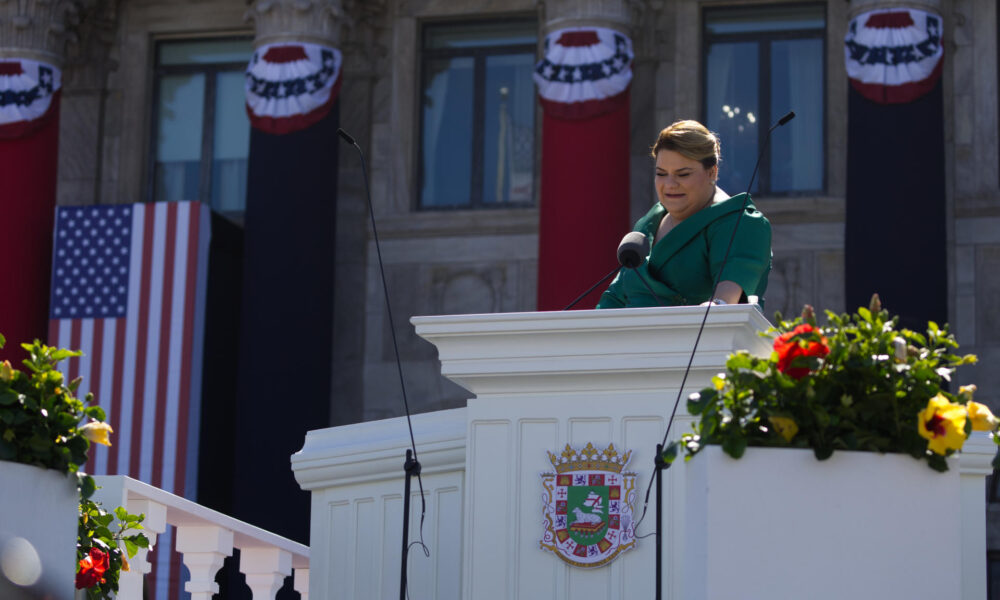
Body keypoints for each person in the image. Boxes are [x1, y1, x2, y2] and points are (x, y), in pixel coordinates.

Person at [597, 120, 771, 309]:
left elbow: (724, 304)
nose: (670, 184)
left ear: (712, 172)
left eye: (683, 174)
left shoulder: (740, 222)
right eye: (661, 174)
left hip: (701, 337)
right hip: (629, 337)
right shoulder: (646, 226)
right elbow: (612, 301)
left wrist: (717, 305)